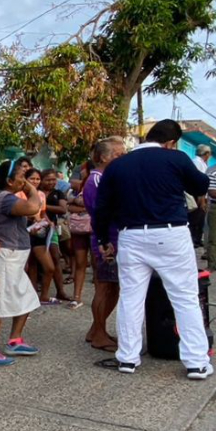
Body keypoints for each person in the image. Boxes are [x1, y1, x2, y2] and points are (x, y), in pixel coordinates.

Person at [94, 119, 212, 380]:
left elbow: (102, 207)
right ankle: (196, 362)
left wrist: (102, 239)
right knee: (184, 297)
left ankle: (127, 357)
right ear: (170, 142)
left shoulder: (118, 165)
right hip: (171, 233)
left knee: (131, 298)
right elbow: (200, 186)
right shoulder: (176, 158)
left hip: (131, 235)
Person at [0, 161, 41, 366]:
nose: (25, 180)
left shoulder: (5, 197)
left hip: (14, 259)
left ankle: (15, 340)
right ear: (9, 180)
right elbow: (33, 207)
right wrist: (31, 189)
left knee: (26, 297)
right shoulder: (4, 198)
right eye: (21, 177)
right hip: (5, 258)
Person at [83, 136, 126, 352]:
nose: (122, 158)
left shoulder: (106, 178)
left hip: (113, 238)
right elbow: (102, 212)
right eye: (118, 155)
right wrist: (105, 240)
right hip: (107, 240)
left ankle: (96, 329)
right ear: (103, 157)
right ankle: (98, 333)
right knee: (104, 287)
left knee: (113, 287)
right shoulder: (97, 180)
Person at [27, 168, 70, 304]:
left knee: (53, 259)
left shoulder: (48, 194)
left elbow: (57, 210)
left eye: (37, 179)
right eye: (32, 179)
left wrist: (45, 219)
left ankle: (56, 291)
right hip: (28, 231)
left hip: (46, 230)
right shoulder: (23, 194)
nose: (51, 182)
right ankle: (32, 294)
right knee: (31, 263)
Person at [65, 166, 93, 308]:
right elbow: (68, 206)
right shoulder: (79, 186)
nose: (80, 171)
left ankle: (99, 296)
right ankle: (76, 296)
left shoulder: (99, 183)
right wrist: (84, 207)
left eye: (84, 168)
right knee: (80, 262)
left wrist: (78, 205)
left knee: (96, 264)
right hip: (80, 228)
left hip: (94, 228)